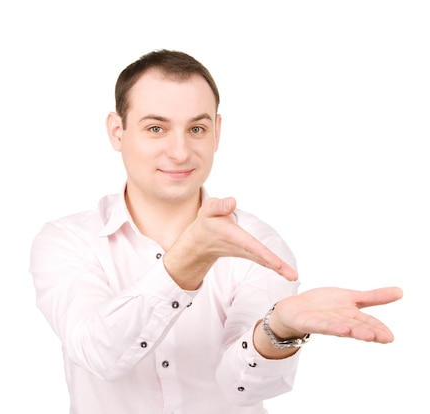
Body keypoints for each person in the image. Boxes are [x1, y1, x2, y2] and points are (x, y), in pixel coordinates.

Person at [29, 49, 403, 413]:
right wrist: (187, 262)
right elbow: (100, 354)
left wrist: (279, 330)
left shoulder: (259, 243)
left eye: (196, 128)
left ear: (217, 133)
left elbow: (242, 387)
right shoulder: (67, 241)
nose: (179, 151)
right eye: (156, 128)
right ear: (117, 131)